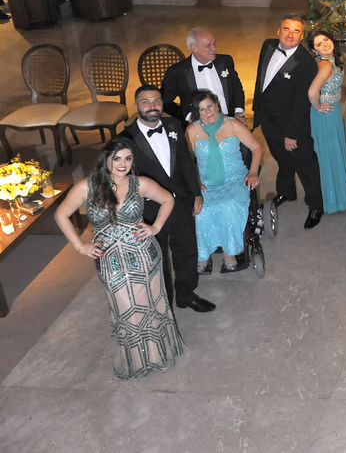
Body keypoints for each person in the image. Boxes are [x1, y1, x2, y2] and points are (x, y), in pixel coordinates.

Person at [54, 138, 185, 378]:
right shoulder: (86, 187)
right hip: (110, 261)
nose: (123, 164)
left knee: (150, 305)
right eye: (117, 159)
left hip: (144, 256)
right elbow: (61, 215)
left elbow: (168, 199)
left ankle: (156, 356)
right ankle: (137, 361)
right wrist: (80, 246)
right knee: (125, 308)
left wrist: (155, 227)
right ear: (106, 159)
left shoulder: (140, 183)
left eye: (128, 158)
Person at [119, 86, 215, 313]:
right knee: (157, 258)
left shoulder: (173, 125)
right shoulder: (125, 138)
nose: (152, 106)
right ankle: (164, 306)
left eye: (157, 101)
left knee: (187, 250)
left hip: (181, 199)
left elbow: (185, 162)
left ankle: (186, 295)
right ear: (135, 106)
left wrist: (196, 193)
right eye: (145, 102)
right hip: (150, 209)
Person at [253, 14, 324, 229]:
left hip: (292, 125)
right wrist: (258, 112)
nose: (290, 35)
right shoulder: (268, 46)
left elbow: (301, 104)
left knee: (305, 165)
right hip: (268, 119)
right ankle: (286, 192)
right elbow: (261, 80)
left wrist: (292, 134)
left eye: (296, 31)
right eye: (287, 29)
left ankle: (316, 205)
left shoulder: (306, 64)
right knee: (282, 160)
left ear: (302, 36)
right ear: (278, 30)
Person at [186, 89, 262, 273]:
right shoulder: (192, 131)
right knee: (200, 210)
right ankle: (203, 256)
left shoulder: (233, 125)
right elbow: (186, 162)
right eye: (202, 109)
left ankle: (230, 253)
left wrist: (253, 172)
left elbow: (256, 147)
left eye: (210, 106)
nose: (208, 112)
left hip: (235, 178)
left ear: (217, 105)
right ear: (197, 113)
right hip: (205, 182)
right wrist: (195, 182)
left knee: (228, 206)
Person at [306, 30, 346, 214]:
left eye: (326, 39)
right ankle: (335, 197)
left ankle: (340, 189)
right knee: (330, 153)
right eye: (318, 44)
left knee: (336, 149)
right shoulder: (325, 65)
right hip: (325, 115)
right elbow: (312, 92)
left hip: (333, 112)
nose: (325, 44)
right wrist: (318, 107)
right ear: (314, 51)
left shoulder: (332, 61)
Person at [161, 26, 246, 124]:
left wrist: (238, 113)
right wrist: (188, 116)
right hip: (199, 124)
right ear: (194, 48)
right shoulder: (177, 71)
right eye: (208, 45)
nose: (213, 48)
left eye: (214, 43)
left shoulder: (225, 61)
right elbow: (165, 101)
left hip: (229, 120)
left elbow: (237, 89)